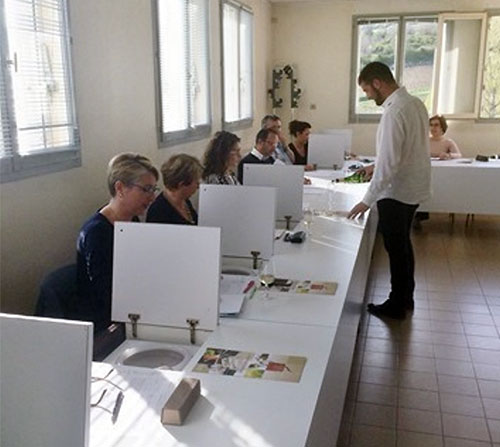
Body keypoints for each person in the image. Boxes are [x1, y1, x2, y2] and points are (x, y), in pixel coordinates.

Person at [348, 62, 431, 320]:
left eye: (366, 90)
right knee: (403, 246)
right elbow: (403, 151)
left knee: (397, 249)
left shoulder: (394, 112)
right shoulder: (415, 103)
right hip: (412, 188)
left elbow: (391, 162)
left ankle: (397, 304)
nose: (367, 96)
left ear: (377, 83)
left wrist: (366, 200)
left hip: (396, 192)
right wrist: (376, 165)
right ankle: (406, 298)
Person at [76, 153, 159, 331]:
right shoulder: (97, 232)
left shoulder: (132, 220)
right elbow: (104, 293)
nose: (152, 197)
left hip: (134, 310)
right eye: (146, 189)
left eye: (154, 189)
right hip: (107, 324)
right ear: (120, 188)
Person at [146, 154, 202, 225]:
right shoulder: (158, 212)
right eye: (196, 182)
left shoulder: (184, 201)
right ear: (181, 185)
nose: (198, 186)